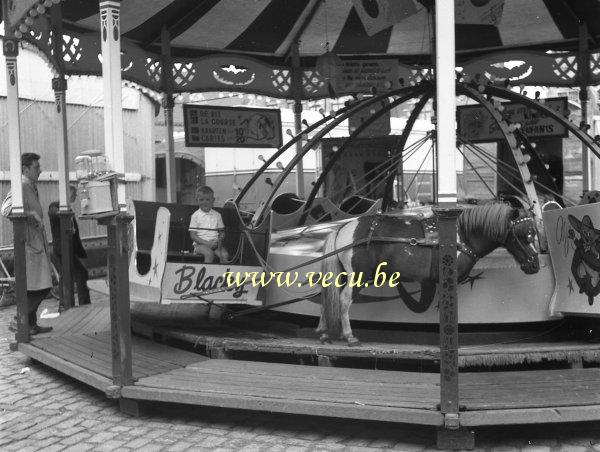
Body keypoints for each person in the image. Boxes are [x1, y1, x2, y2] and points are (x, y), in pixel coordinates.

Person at [1, 153, 53, 335]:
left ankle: (31, 324)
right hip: (29, 246)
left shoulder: (30, 186)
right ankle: (20, 319)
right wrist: (30, 214)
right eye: (36, 167)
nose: (40, 170)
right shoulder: (21, 186)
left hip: (35, 244)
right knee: (43, 286)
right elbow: (5, 209)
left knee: (34, 287)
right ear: (25, 169)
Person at [48, 184, 90, 310]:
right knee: (81, 273)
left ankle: (64, 304)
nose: (76, 196)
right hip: (63, 250)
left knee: (64, 276)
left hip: (65, 249)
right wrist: (66, 210)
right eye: (73, 194)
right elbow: (54, 212)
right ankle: (84, 304)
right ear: (65, 194)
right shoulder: (55, 206)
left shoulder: (68, 208)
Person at [189, 186, 229, 263]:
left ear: (213, 200)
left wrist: (218, 240)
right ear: (197, 200)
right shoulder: (195, 216)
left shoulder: (217, 215)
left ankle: (221, 274)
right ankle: (207, 274)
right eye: (201, 200)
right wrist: (207, 243)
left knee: (224, 255)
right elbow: (193, 235)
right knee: (209, 253)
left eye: (208, 200)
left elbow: (222, 232)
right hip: (200, 245)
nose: (205, 202)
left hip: (215, 245)